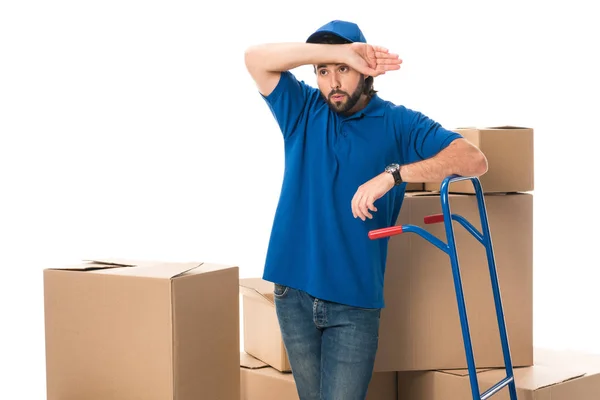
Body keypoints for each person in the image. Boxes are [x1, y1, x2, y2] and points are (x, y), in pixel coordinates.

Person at [244, 20, 488, 400]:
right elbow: (255, 58)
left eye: (343, 69)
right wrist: (337, 53)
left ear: (367, 71)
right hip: (292, 290)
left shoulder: (397, 122)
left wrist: (394, 174)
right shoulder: (303, 109)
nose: (333, 82)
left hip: (354, 302)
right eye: (323, 71)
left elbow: (473, 160)